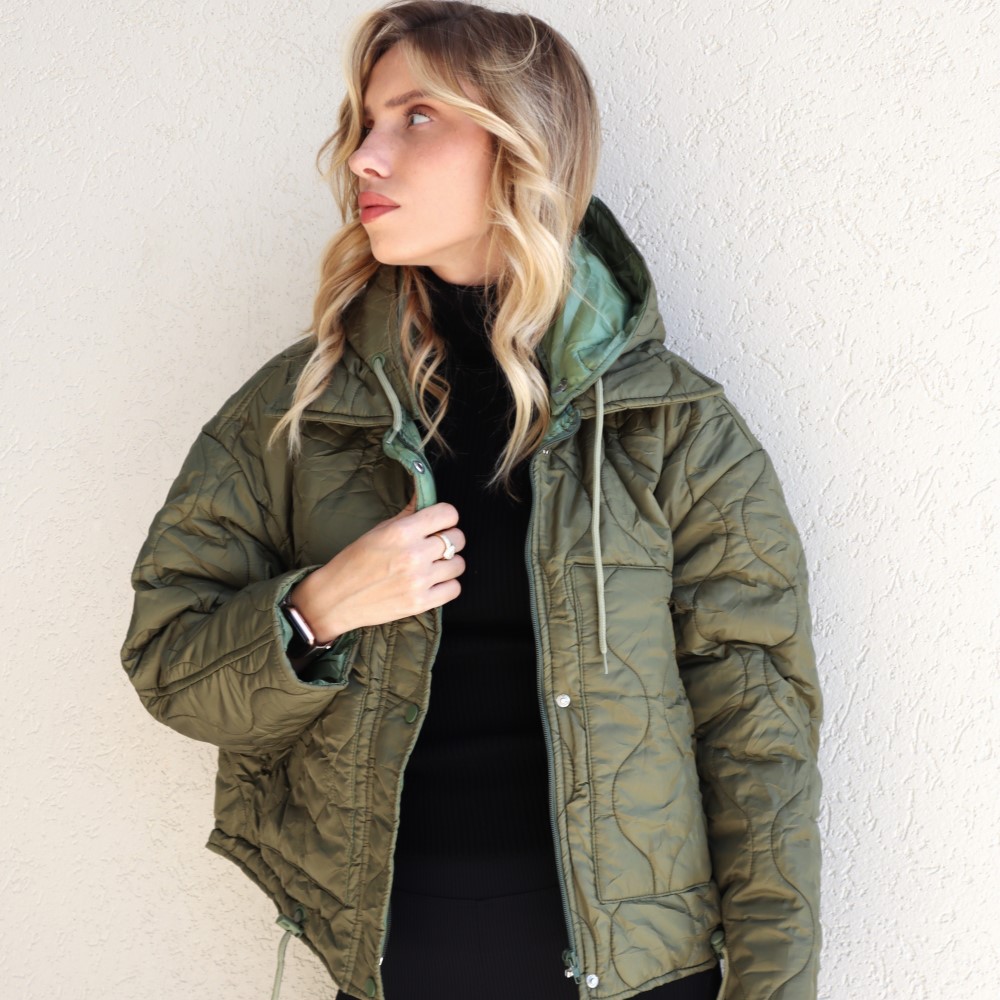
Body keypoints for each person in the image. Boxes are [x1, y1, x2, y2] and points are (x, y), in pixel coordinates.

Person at [121, 2, 822, 999]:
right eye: (366, 122)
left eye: (416, 117)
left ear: (519, 145)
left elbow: (761, 739)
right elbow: (168, 663)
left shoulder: (672, 427)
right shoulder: (301, 411)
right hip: (396, 974)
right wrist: (316, 609)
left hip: (644, 980)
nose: (364, 156)